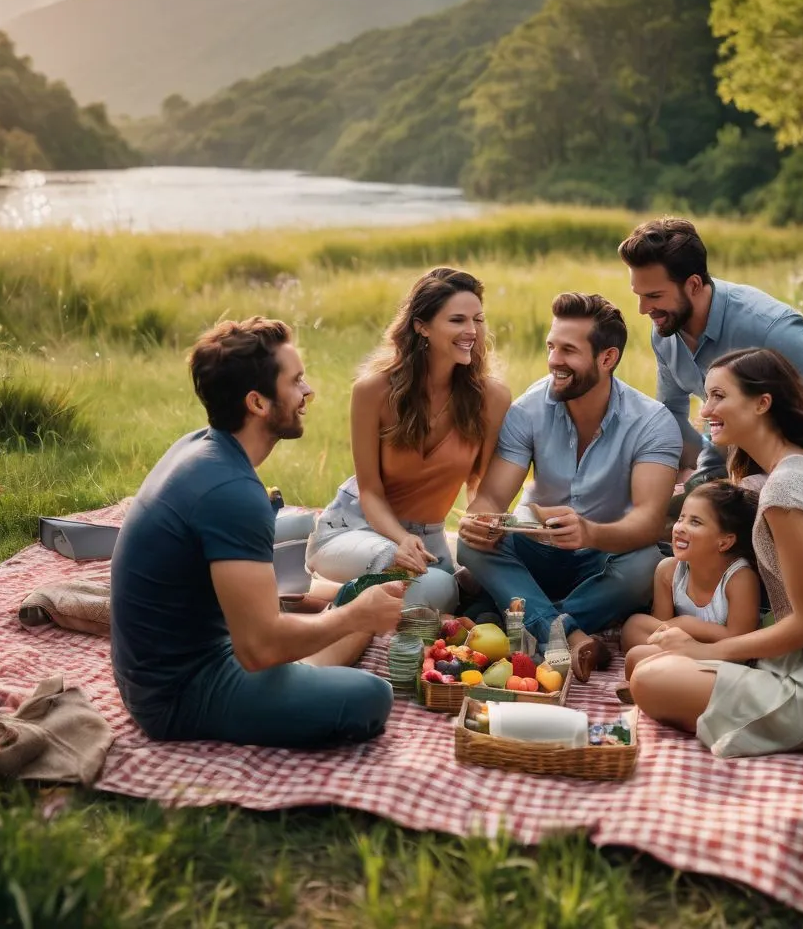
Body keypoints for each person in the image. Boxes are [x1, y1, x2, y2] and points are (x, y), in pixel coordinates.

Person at [110, 317, 401, 748]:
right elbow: (258, 648)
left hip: (180, 663)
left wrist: (351, 613)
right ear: (258, 403)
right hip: (179, 695)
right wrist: (353, 617)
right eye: (296, 381)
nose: (308, 392)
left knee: (354, 602)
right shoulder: (232, 492)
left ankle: (309, 666)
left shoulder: (199, 446)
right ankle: (308, 673)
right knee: (371, 697)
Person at [628, 348, 803, 757]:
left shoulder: (787, 489)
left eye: (719, 396)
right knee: (641, 660)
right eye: (706, 397)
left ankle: (723, 702)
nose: (705, 410)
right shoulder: (793, 468)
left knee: (650, 680)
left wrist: (707, 650)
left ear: (762, 403)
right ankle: (708, 694)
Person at [456, 292, 682, 681]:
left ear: (607, 358)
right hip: (537, 551)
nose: (554, 361)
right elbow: (493, 496)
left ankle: (514, 620)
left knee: (648, 565)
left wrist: (590, 532)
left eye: (568, 350)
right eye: (551, 346)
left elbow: (647, 522)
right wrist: (480, 519)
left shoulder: (652, 422)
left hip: (603, 558)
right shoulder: (528, 409)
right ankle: (570, 633)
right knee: (467, 543)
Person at [305, 267, 511, 614]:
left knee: (450, 593)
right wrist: (399, 541)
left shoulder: (492, 397)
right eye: (457, 320)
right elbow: (369, 490)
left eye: (477, 319)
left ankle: (340, 598)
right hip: (355, 528)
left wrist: (483, 528)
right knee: (435, 586)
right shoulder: (372, 390)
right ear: (422, 326)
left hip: (429, 539)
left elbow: (480, 486)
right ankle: (344, 604)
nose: (471, 331)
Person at [618, 217, 803, 498]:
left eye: (654, 296)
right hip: (728, 469)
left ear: (694, 285)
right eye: (639, 295)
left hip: (790, 485)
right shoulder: (665, 329)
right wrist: (689, 479)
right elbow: (671, 416)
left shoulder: (772, 329)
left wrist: (763, 487)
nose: (643, 309)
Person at [620, 480, 762, 679]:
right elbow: (661, 628)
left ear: (724, 541)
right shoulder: (668, 571)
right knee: (634, 625)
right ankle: (657, 672)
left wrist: (687, 625)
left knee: (638, 656)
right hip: (677, 646)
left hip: (719, 656)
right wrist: (677, 633)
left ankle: (655, 674)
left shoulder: (739, 578)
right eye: (681, 519)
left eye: (695, 522)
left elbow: (739, 640)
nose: (680, 528)